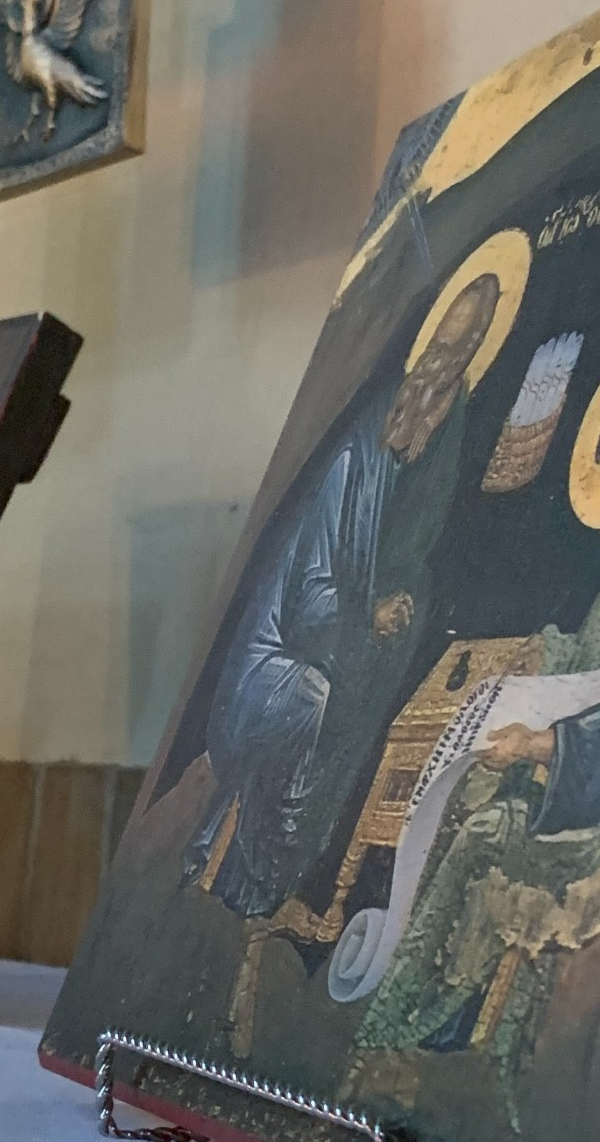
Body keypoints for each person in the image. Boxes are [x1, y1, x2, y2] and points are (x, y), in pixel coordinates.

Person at [356, 329, 600, 1066]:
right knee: (470, 783)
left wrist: (543, 743)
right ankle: (430, 1019)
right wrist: (548, 655)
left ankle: (405, 1037)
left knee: (476, 834)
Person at [183, 274, 499, 918]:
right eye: (437, 348)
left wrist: (400, 602)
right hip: (274, 656)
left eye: (457, 358)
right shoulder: (356, 454)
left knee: (364, 683)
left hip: (337, 639)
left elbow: (411, 547)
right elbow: (310, 597)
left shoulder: (442, 429)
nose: (439, 368)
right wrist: (369, 616)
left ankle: (270, 874)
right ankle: (259, 877)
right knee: (312, 698)